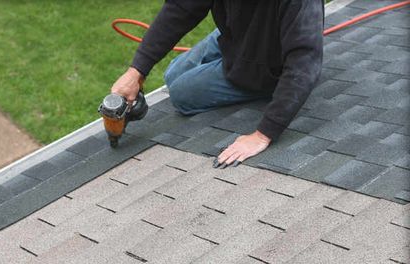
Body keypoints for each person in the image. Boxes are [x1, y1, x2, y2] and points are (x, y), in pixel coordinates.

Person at [111, 0, 324, 168]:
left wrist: (263, 135)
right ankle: (233, 59)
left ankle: (263, 86)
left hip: (268, 65)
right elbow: (180, 8)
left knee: (180, 94)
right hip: (237, 37)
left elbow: (304, 64)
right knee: (173, 74)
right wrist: (136, 71)